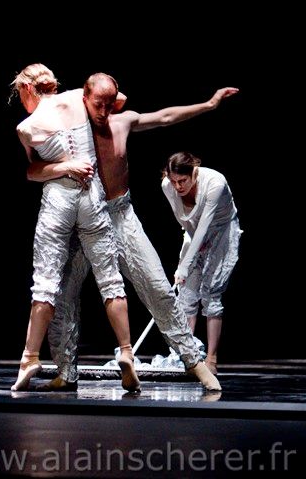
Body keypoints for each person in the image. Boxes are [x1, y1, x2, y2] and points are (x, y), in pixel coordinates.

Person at [28, 73, 239, 391]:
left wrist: (209, 104)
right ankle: (65, 371)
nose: (102, 112)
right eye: (97, 105)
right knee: (64, 295)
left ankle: (194, 361)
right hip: (83, 217)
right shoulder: (69, 131)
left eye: (108, 104)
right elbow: (35, 163)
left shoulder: (121, 122)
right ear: (84, 100)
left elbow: (165, 117)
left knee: (157, 285)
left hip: (120, 215)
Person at [10, 63, 140, 393]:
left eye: (20, 94)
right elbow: (118, 98)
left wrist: (63, 166)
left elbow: (33, 172)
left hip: (59, 200)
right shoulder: (78, 98)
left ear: (27, 89)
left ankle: (30, 357)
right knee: (110, 278)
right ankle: (126, 351)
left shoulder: (26, 127)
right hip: (92, 196)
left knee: (45, 283)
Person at [162, 151, 241, 375]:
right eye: (174, 181)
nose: (178, 186)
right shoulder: (167, 186)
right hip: (193, 232)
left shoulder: (215, 183)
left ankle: (211, 360)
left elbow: (206, 224)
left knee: (211, 293)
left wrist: (184, 265)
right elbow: (184, 220)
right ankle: (188, 357)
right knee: (186, 293)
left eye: (182, 181)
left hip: (222, 231)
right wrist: (187, 261)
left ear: (193, 173)